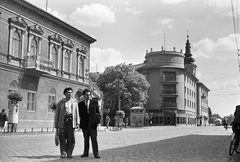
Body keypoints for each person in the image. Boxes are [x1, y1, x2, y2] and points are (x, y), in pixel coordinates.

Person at [54, 87, 80, 158]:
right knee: (62, 138)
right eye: (68, 92)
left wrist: (78, 123)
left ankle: (69, 153)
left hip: (71, 121)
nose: (70, 94)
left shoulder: (74, 102)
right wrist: (56, 125)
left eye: (71, 92)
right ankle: (63, 152)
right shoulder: (61, 102)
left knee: (71, 138)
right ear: (65, 93)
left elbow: (77, 113)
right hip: (63, 122)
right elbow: (57, 114)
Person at [78, 88, 100, 159]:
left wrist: (98, 122)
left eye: (89, 95)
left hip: (93, 124)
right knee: (86, 139)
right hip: (85, 124)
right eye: (87, 95)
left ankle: (96, 154)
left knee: (94, 139)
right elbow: (80, 114)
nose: (88, 96)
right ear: (83, 95)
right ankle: (85, 153)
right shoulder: (80, 104)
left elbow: (98, 113)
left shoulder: (94, 103)